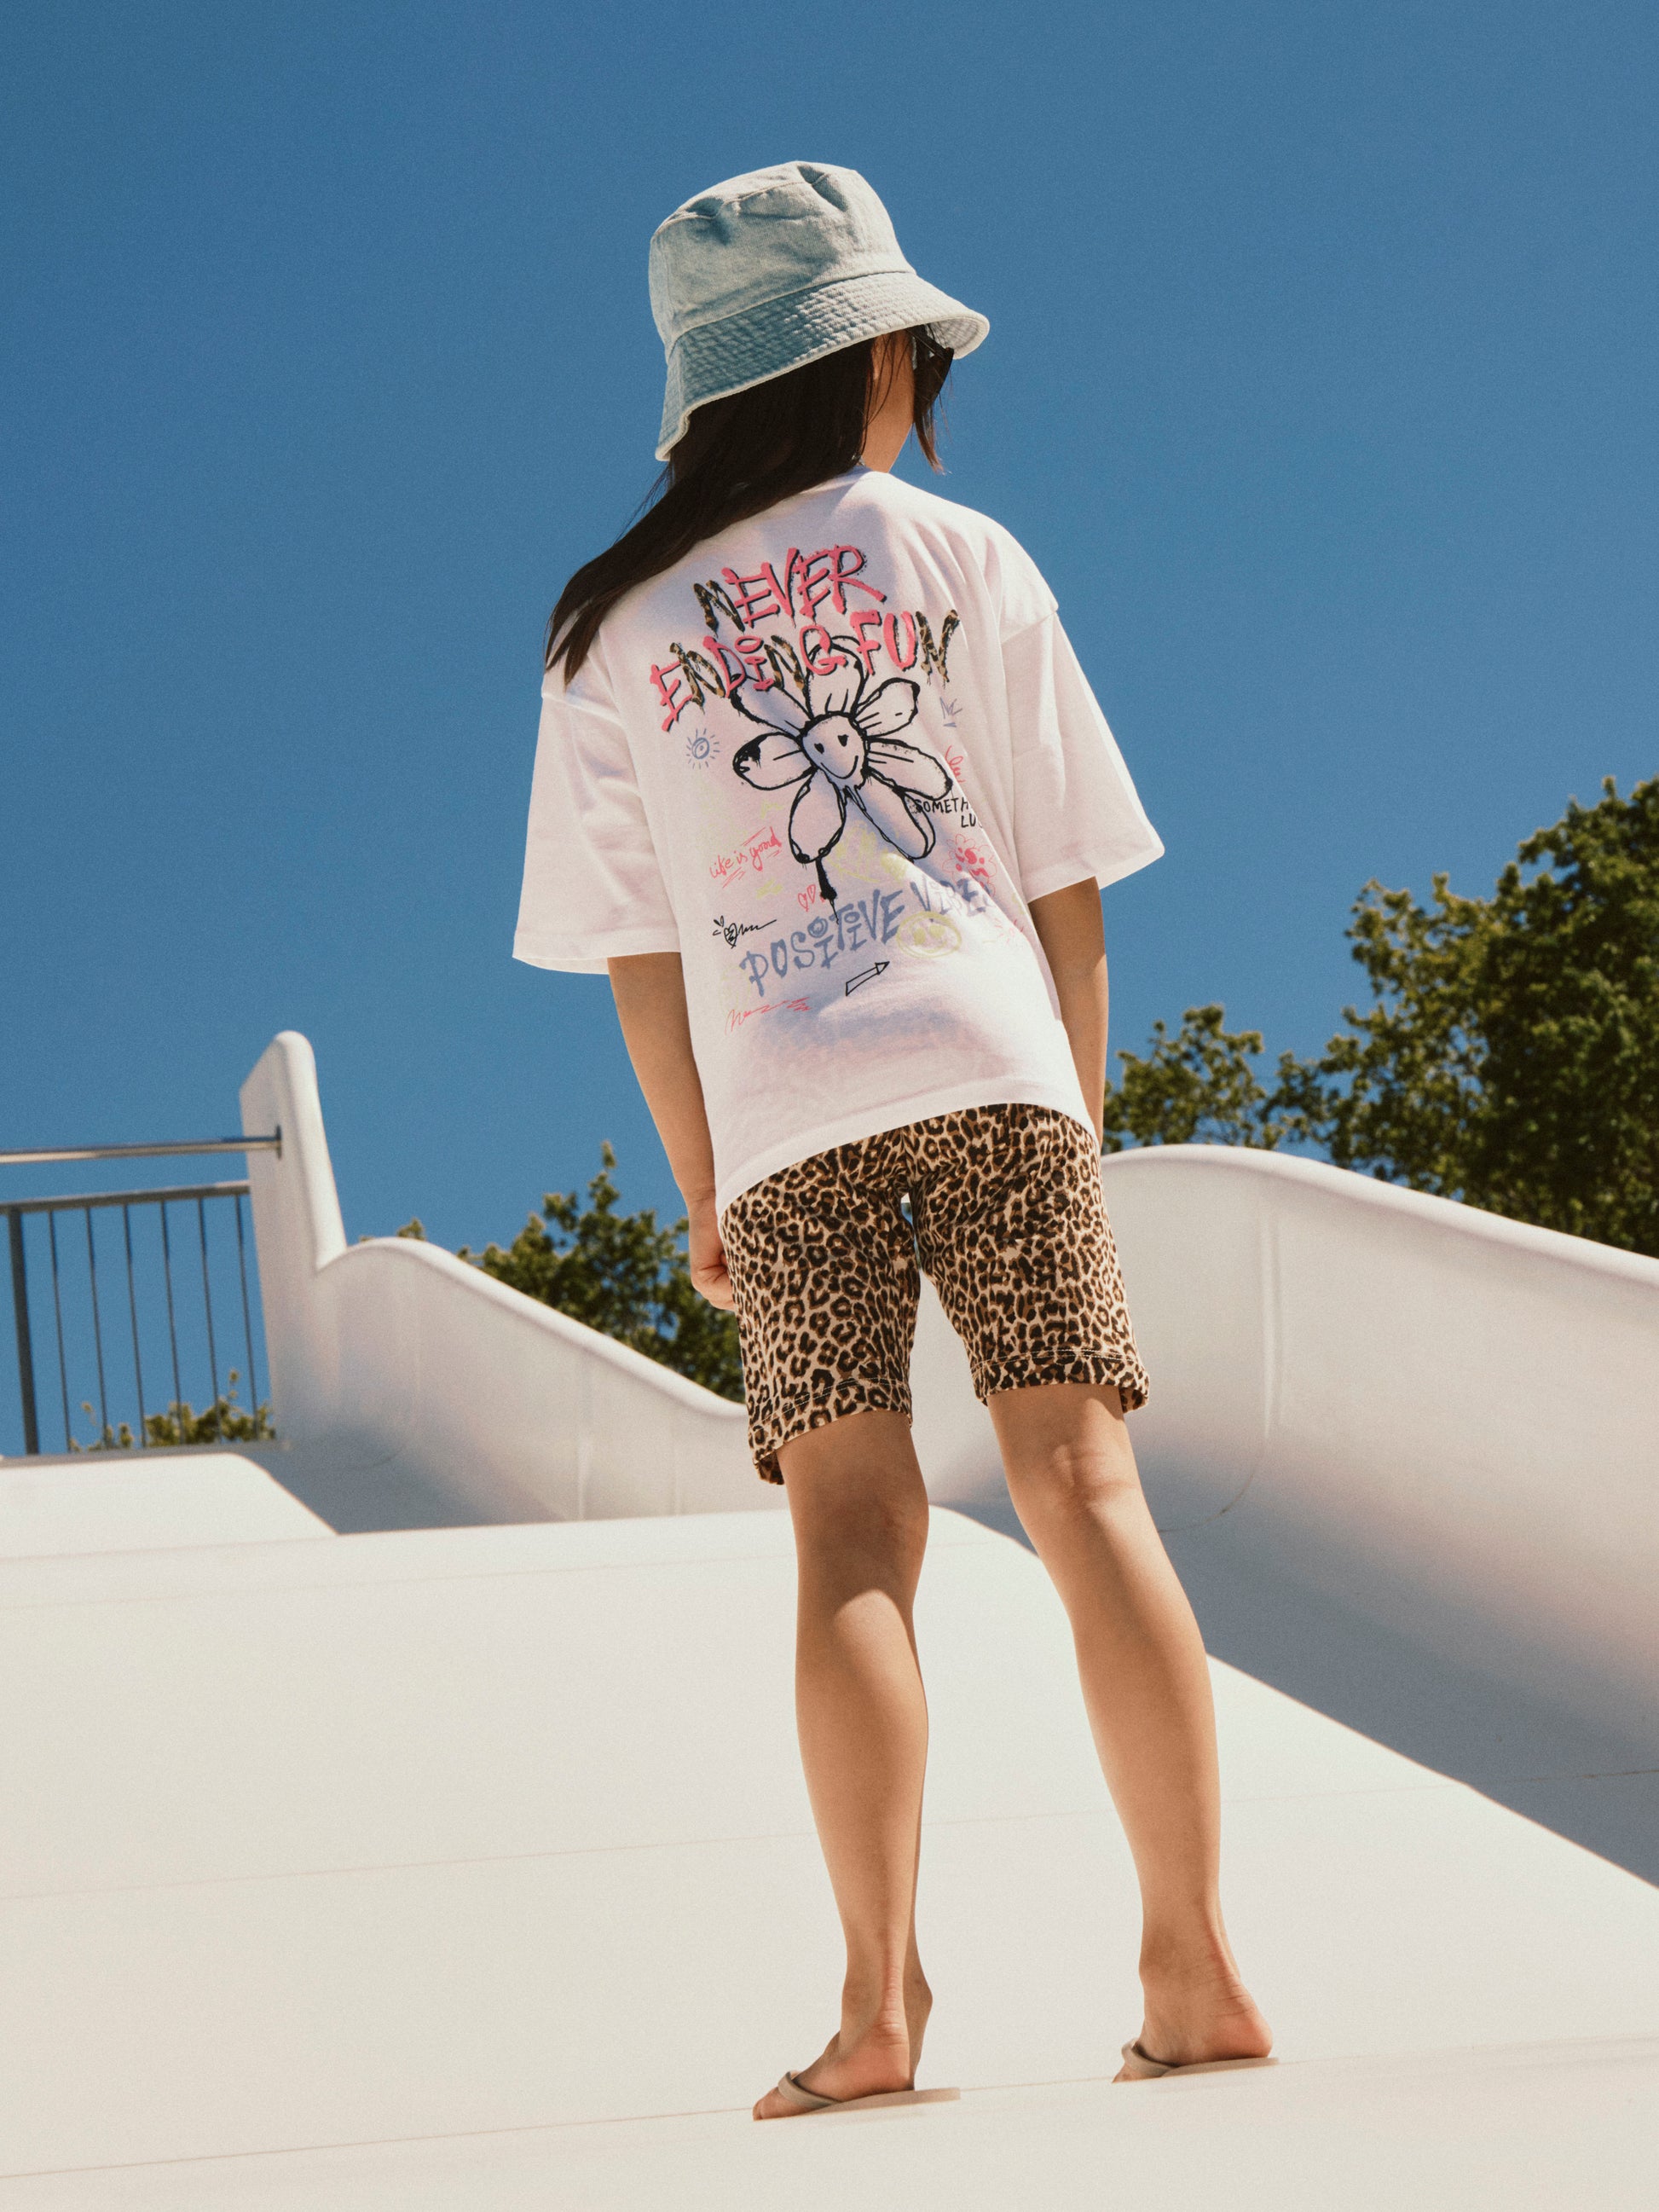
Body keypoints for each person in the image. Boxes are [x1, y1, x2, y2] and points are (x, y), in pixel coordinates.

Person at [515, 161, 1271, 2118]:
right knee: (1085, 1488)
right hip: (994, 1065)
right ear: (865, 356)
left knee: (848, 1535)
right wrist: (1071, 1115)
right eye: (916, 353)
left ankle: (874, 2009)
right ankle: (1191, 1967)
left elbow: (640, 954)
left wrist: (701, 1179)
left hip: (784, 1124)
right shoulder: (966, 555)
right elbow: (1065, 878)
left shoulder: (608, 634)